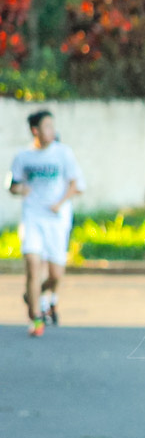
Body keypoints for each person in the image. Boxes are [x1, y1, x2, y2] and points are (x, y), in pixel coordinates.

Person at [8, 110, 85, 337]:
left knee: (55, 275)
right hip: (33, 217)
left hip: (57, 219)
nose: (52, 130)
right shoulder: (23, 156)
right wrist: (18, 188)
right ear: (35, 131)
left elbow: (75, 184)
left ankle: (32, 295)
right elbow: (11, 184)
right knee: (33, 266)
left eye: (53, 126)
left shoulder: (64, 154)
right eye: (47, 126)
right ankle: (36, 318)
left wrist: (60, 203)